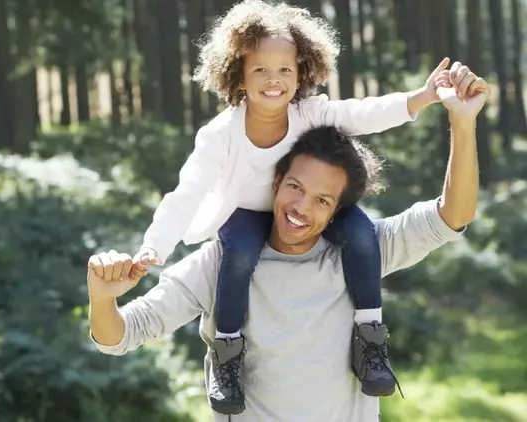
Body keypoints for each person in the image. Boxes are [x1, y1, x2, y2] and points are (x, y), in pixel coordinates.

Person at [91, 61, 488, 420]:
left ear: (337, 211)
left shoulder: (360, 252)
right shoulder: (221, 263)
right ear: (276, 181)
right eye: (295, 187)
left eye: (322, 201)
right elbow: (122, 335)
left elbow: (452, 216)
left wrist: (462, 121)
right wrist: (103, 297)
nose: (301, 207)